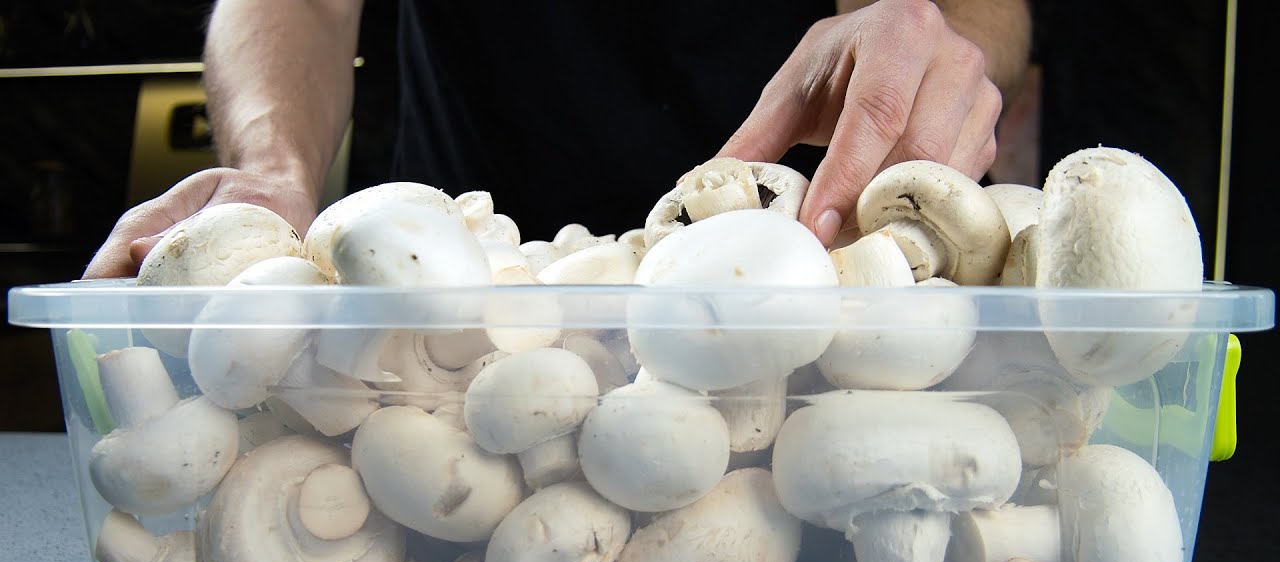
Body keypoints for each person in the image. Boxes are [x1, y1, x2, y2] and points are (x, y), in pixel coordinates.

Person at [82, 0, 1031, 279]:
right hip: (453, 281)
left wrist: (931, 54)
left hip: (802, 275)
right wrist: (273, 169)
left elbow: (962, 10)